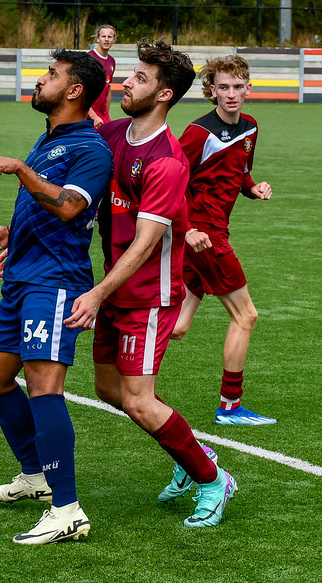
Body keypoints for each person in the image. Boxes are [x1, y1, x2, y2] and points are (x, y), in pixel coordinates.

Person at [65, 38, 237, 528]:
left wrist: (97, 293)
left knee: (140, 400)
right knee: (107, 388)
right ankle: (193, 453)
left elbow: (144, 245)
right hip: (115, 289)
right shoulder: (114, 133)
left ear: (164, 95)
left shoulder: (166, 161)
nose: (127, 82)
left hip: (148, 297)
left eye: (140, 78)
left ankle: (213, 480)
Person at [0, 49, 111, 545]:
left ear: (74, 90)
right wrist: (12, 233)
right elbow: (46, 207)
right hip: (22, 276)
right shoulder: (48, 139)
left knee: (43, 385)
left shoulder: (91, 148)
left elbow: (70, 207)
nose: (40, 80)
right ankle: (36, 475)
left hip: (54, 282)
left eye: (51, 75)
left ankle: (67, 509)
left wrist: (19, 169)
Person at [170, 55, 276, 426]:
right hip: (204, 236)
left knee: (178, 326)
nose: (231, 94)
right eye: (224, 87)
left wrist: (253, 188)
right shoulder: (198, 133)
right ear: (212, 91)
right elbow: (169, 182)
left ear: (248, 88)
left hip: (210, 233)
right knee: (246, 316)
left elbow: (239, 172)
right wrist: (188, 230)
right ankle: (230, 406)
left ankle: (116, 336)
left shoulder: (250, 127)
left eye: (238, 86)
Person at [87, 24, 116, 128]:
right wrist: (93, 116)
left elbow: (108, 89)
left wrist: (106, 115)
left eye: (110, 36)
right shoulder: (89, 59)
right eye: (103, 36)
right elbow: (82, 92)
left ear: (114, 39)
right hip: (87, 116)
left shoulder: (112, 61)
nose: (106, 39)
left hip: (102, 117)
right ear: (97, 38)